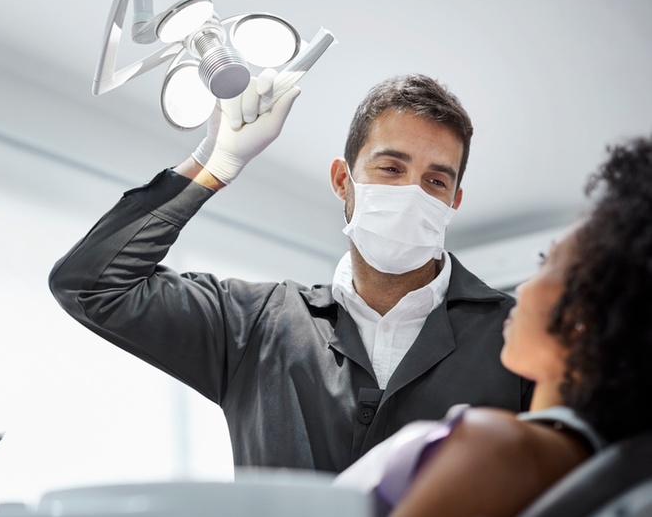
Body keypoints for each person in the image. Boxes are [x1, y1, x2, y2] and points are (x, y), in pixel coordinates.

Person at [49, 72, 532, 473]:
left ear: (453, 202)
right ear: (344, 180)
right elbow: (91, 285)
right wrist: (213, 163)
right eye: (390, 168)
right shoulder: (254, 325)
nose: (412, 192)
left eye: (435, 180)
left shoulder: (520, 337)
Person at [334, 134, 652, 516]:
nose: (522, 287)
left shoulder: (501, 446)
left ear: (580, 317)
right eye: (391, 169)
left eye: (545, 261)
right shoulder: (598, 463)